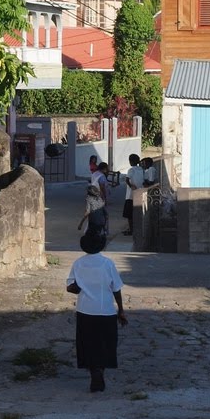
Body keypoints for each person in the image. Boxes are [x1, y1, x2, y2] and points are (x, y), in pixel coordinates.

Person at [66, 232, 127, 392]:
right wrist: (121, 310)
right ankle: (101, 369)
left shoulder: (78, 263)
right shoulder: (107, 264)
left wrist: (80, 286)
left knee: (87, 343)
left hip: (85, 310)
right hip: (106, 310)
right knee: (105, 343)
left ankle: (93, 370)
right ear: (101, 245)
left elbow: (70, 287)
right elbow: (116, 288)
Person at [122, 153, 144, 237]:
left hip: (130, 195)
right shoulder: (141, 169)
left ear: (131, 162)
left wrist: (131, 186)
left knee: (129, 214)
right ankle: (136, 228)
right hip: (140, 193)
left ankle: (131, 230)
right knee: (137, 212)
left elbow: (127, 179)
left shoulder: (131, 170)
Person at [90, 161, 110, 235]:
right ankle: (103, 230)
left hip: (93, 196)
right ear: (104, 168)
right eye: (107, 168)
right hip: (100, 197)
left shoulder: (94, 174)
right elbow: (102, 187)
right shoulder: (102, 176)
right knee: (103, 215)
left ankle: (92, 229)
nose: (108, 170)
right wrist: (104, 197)